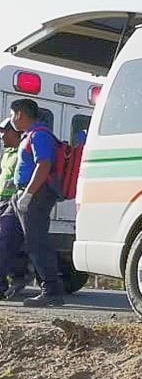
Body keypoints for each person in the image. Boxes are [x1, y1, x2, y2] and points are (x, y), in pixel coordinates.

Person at [9, 99, 65, 307]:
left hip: (36, 196)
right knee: (11, 240)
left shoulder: (39, 135)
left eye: (13, 115)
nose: (13, 119)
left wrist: (29, 195)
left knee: (37, 243)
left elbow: (43, 165)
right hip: (24, 194)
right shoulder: (29, 136)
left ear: (20, 115)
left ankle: (51, 290)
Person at [0, 118, 29, 299]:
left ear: (15, 133)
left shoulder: (22, 151)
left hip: (14, 203)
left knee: (3, 244)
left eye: (4, 131)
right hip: (2, 202)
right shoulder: (8, 153)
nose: (2, 136)